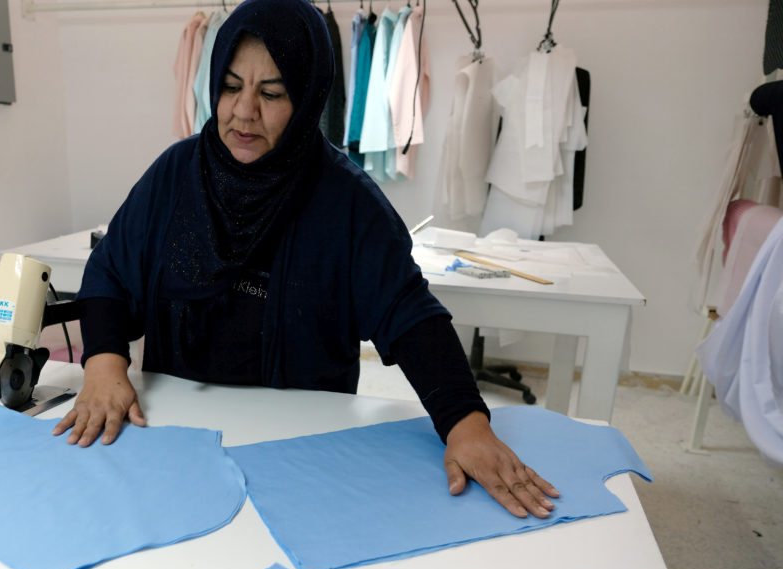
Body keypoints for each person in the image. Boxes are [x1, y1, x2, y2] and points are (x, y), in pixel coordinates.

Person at [54, 0, 560, 519]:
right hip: (175, 435)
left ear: (308, 96)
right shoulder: (175, 174)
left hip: (301, 449)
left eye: (271, 94)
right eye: (230, 87)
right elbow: (110, 274)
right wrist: (104, 364)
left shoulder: (348, 204)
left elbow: (409, 316)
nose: (243, 111)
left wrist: (465, 423)